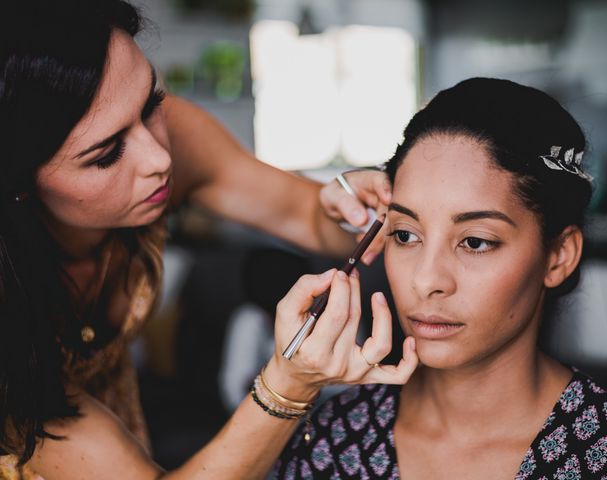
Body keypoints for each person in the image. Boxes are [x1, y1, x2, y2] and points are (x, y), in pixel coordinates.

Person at [0, 1, 419, 478]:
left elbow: (304, 214)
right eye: (107, 154)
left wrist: (352, 205)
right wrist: (290, 382)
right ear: (16, 183)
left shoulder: (155, 138)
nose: (158, 156)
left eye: (152, 103)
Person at [272, 78, 607, 479]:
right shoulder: (333, 437)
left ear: (558, 257)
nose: (426, 280)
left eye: (476, 242)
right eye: (406, 235)